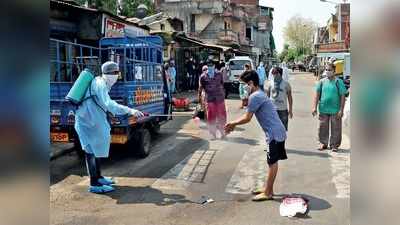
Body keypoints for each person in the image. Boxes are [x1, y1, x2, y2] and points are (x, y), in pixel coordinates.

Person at [75, 61, 144, 194]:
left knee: (96, 151)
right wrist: (130, 110)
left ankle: (99, 177)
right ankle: (94, 184)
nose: (117, 76)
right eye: (116, 73)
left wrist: (109, 113)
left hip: (92, 121)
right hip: (87, 123)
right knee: (91, 153)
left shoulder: (101, 82)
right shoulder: (100, 84)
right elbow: (108, 103)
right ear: (109, 73)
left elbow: (99, 103)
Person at [225, 70, 287, 201]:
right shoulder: (259, 94)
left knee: (272, 162)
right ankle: (267, 188)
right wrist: (234, 124)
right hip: (276, 131)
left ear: (251, 83)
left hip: (274, 134)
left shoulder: (255, 96)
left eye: (244, 84)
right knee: (271, 162)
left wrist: (232, 123)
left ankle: (268, 192)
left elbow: (247, 118)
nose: (242, 87)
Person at [312, 63, 347, 152]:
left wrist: (341, 110)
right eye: (326, 70)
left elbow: (343, 96)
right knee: (322, 127)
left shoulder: (339, 82)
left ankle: (334, 145)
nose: (327, 71)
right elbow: (317, 95)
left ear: (334, 71)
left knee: (336, 128)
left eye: (329, 70)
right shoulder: (322, 81)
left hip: (335, 110)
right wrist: (314, 107)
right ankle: (323, 143)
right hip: (323, 109)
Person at [198, 60, 227, 139]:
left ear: (214, 66)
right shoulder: (203, 76)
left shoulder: (219, 74)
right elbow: (201, 88)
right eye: (209, 65)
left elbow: (222, 84)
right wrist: (199, 99)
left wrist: (223, 94)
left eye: (212, 65)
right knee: (211, 116)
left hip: (220, 98)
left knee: (222, 116)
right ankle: (213, 134)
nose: (210, 67)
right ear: (207, 66)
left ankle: (222, 132)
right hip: (210, 99)